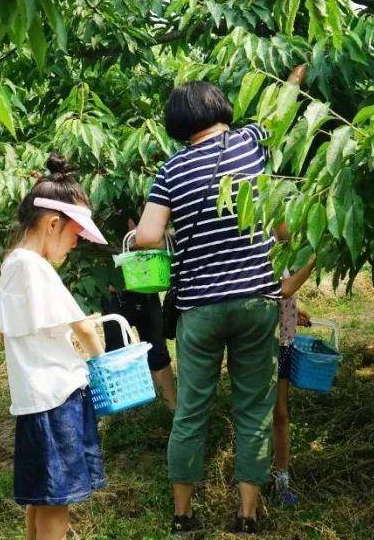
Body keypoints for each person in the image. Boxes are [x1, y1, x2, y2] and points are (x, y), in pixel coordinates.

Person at [134, 71, 310, 536]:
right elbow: (282, 108)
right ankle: (246, 516)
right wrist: (295, 75)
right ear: (220, 109)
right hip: (256, 299)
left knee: (192, 409)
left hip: (199, 307)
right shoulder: (252, 142)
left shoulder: (171, 170)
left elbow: (149, 236)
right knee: (253, 410)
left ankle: (183, 517)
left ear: (178, 123)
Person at [0, 154, 108, 540]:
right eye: (75, 235)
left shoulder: (12, 264)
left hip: (32, 399)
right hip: (57, 399)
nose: (75, 245)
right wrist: (102, 366)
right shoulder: (35, 267)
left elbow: (7, 334)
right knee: (57, 503)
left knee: (42, 498)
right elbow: (86, 332)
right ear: (53, 224)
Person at [101, 219, 177, 410]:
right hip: (114, 295)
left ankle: (172, 409)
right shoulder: (103, 216)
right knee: (118, 354)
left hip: (146, 290)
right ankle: (126, 414)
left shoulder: (146, 205)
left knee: (157, 351)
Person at [271, 261, 315, 507]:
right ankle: (256, 478)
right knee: (268, 412)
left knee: (280, 412)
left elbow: (283, 293)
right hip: (264, 342)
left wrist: (293, 312)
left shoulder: (281, 253)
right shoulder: (263, 245)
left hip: (283, 341)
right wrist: (314, 260)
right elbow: (283, 290)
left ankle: (281, 480)